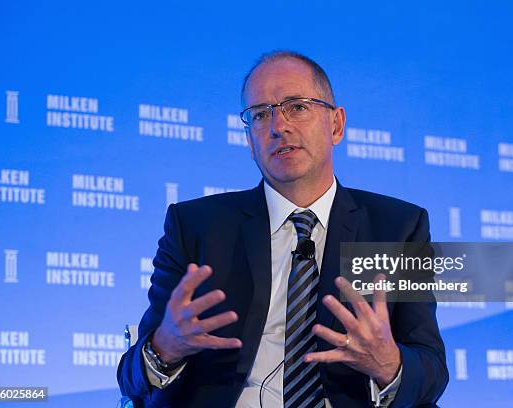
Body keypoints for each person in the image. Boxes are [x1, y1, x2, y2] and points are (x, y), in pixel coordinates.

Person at [117, 51, 448, 407]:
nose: (279, 126)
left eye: (297, 106)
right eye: (260, 114)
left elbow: (430, 369)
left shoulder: (397, 228)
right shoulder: (196, 226)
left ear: (336, 125)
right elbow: (131, 377)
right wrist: (165, 347)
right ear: (249, 141)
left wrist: (389, 364)